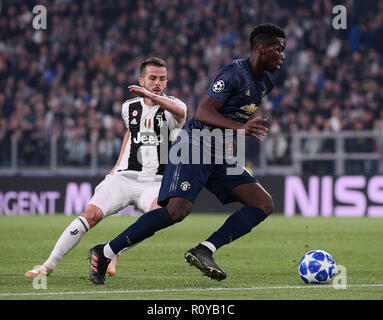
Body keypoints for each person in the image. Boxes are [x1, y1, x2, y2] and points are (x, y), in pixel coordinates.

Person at [88, 23, 286, 284]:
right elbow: (203, 112)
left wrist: (233, 139)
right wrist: (240, 128)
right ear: (262, 47)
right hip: (195, 145)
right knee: (176, 211)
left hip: (219, 153)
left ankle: (205, 250)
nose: (282, 56)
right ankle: (105, 253)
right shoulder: (234, 73)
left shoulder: (267, 81)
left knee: (264, 204)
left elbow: (237, 112)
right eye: (279, 50)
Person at [25, 57, 187, 278]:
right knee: (90, 215)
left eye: (162, 78)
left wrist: (150, 95)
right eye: (152, 78)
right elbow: (131, 133)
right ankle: (47, 266)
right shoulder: (128, 107)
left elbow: (180, 113)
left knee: (158, 216)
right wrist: (116, 166)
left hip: (156, 182)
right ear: (141, 80)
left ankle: (114, 250)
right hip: (124, 178)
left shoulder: (173, 107)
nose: (158, 82)